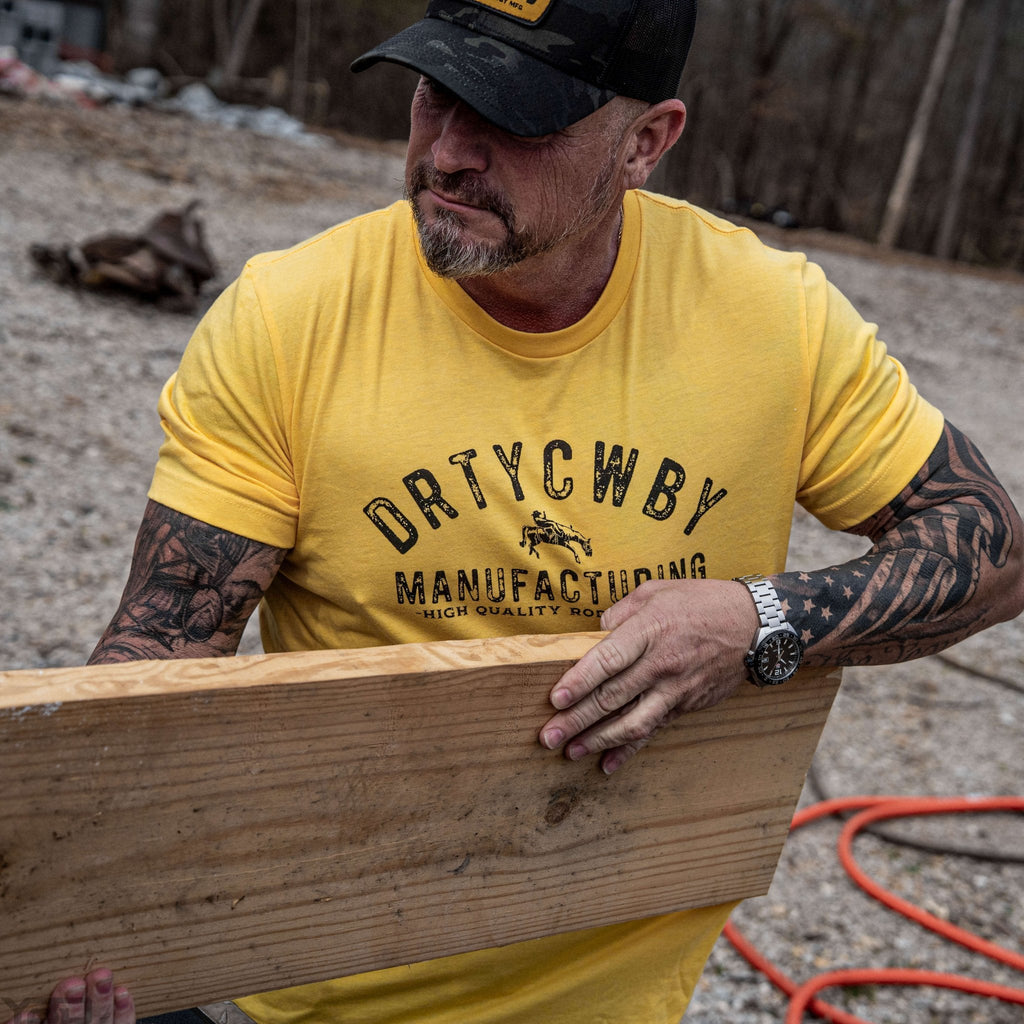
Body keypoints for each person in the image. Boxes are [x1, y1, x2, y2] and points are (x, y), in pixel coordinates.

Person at [11, 1, 1024, 1023]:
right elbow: (153, 658)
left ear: (646, 142)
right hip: (296, 984)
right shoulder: (291, 317)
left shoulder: (773, 320)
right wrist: (70, 921)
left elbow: (991, 548)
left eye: (514, 119)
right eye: (432, 95)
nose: (447, 154)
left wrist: (758, 622)